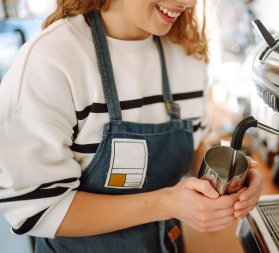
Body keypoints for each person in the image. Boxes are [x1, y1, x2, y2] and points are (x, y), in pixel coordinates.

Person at [0, 0, 263, 252]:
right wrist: (167, 204)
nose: (189, 2)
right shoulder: (51, 61)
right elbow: (37, 208)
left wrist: (229, 179)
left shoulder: (188, 53)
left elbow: (195, 146)